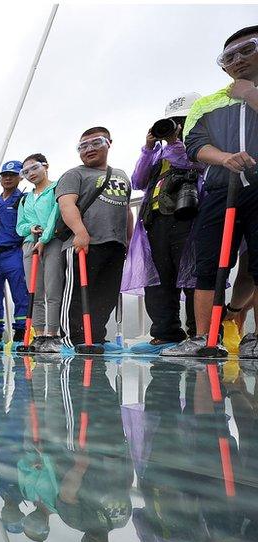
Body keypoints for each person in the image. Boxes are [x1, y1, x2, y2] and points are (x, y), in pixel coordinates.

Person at [164, 25, 258, 357]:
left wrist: (250, 95)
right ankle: (204, 336)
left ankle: (255, 338)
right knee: (209, 263)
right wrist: (224, 158)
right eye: (229, 57)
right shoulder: (209, 103)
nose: (238, 61)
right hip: (221, 190)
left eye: (248, 50)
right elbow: (194, 144)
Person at [123, 94, 203, 355]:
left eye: (182, 120)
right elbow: (138, 180)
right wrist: (148, 148)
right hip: (155, 220)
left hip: (188, 216)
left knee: (192, 275)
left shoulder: (200, 141)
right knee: (158, 278)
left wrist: (174, 141)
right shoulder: (158, 151)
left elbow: (189, 162)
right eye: (172, 121)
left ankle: (198, 332)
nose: (176, 125)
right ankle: (165, 332)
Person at [56, 127, 133, 352]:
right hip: (83, 244)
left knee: (106, 295)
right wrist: (80, 232)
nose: (89, 150)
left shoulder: (121, 174)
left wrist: (128, 239)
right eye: (83, 146)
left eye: (95, 143)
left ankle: (96, 337)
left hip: (115, 244)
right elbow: (66, 204)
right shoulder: (74, 174)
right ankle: (74, 339)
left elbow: (127, 210)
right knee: (78, 294)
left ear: (109, 143)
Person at [15, 154, 64, 354]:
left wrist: (44, 239)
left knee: (53, 290)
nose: (31, 174)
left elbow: (56, 214)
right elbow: (20, 227)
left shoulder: (57, 188)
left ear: (45, 166)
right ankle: (39, 334)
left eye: (34, 168)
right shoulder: (25, 198)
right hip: (29, 245)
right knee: (34, 292)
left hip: (51, 242)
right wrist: (31, 227)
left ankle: (53, 334)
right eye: (25, 172)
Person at [0, 160, 29, 348]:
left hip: (14, 252)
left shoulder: (24, 199)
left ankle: (21, 331)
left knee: (20, 294)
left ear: (20, 176)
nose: (8, 178)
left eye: (12, 174)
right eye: (4, 175)